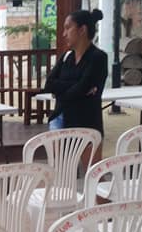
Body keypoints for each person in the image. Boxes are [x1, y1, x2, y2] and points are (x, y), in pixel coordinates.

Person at [43, 8, 109, 162]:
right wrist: (76, 85)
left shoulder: (98, 57)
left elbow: (81, 88)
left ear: (82, 30)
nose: (64, 34)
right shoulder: (66, 56)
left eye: (68, 28)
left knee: (91, 172)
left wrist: (63, 90)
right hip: (60, 118)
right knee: (61, 171)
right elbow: (49, 84)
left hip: (87, 122)